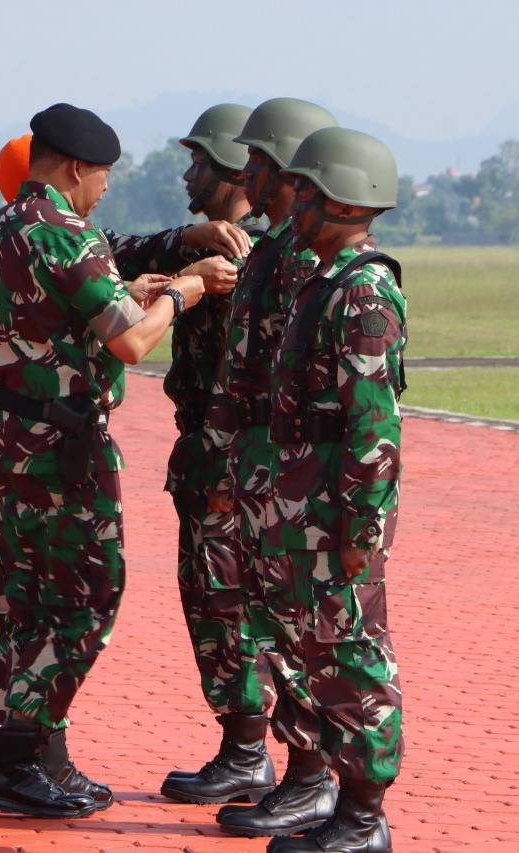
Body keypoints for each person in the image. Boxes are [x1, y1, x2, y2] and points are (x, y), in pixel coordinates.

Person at [0, 103, 208, 819]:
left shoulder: (3, 227)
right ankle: (17, 758)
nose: (104, 189)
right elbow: (131, 344)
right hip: (56, 447)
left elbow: (55, 311)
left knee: (22, 598)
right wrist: (182, 292)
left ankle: (19, 753)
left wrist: (130, 291)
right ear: (76, 169)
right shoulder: (67, 232)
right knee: (87, 597)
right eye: (102, 176)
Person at [191, 98, 347, 839]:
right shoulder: (273, 253)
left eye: (258, 162)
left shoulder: (311, 262)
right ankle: (293, 770)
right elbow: (240, 371)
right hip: (255, 473)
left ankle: (314, 778)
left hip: (292, 479)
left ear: (289, 171)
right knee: (269, 628)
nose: (245, 173)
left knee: (301, 632)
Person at [263, 127, 406, 852]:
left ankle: (362, 814)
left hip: (333, 511)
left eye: (309, 192)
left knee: (353, 657)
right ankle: (344, 805)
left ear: (348, 200)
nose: (296, 203)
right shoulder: (324, 280)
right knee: (321, 652)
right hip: (305, 503)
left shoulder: (364, 290)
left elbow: (373, 424)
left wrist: (360, 528)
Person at [159, 103, 279, 805]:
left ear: (233, 169)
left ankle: (247, 749)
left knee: (227, 602)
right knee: (207, 599)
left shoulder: (254, 263)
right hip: (204, 454)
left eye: (198, 161)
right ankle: (241, 745)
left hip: (229, 465)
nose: (187, 172)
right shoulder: (210, 249)